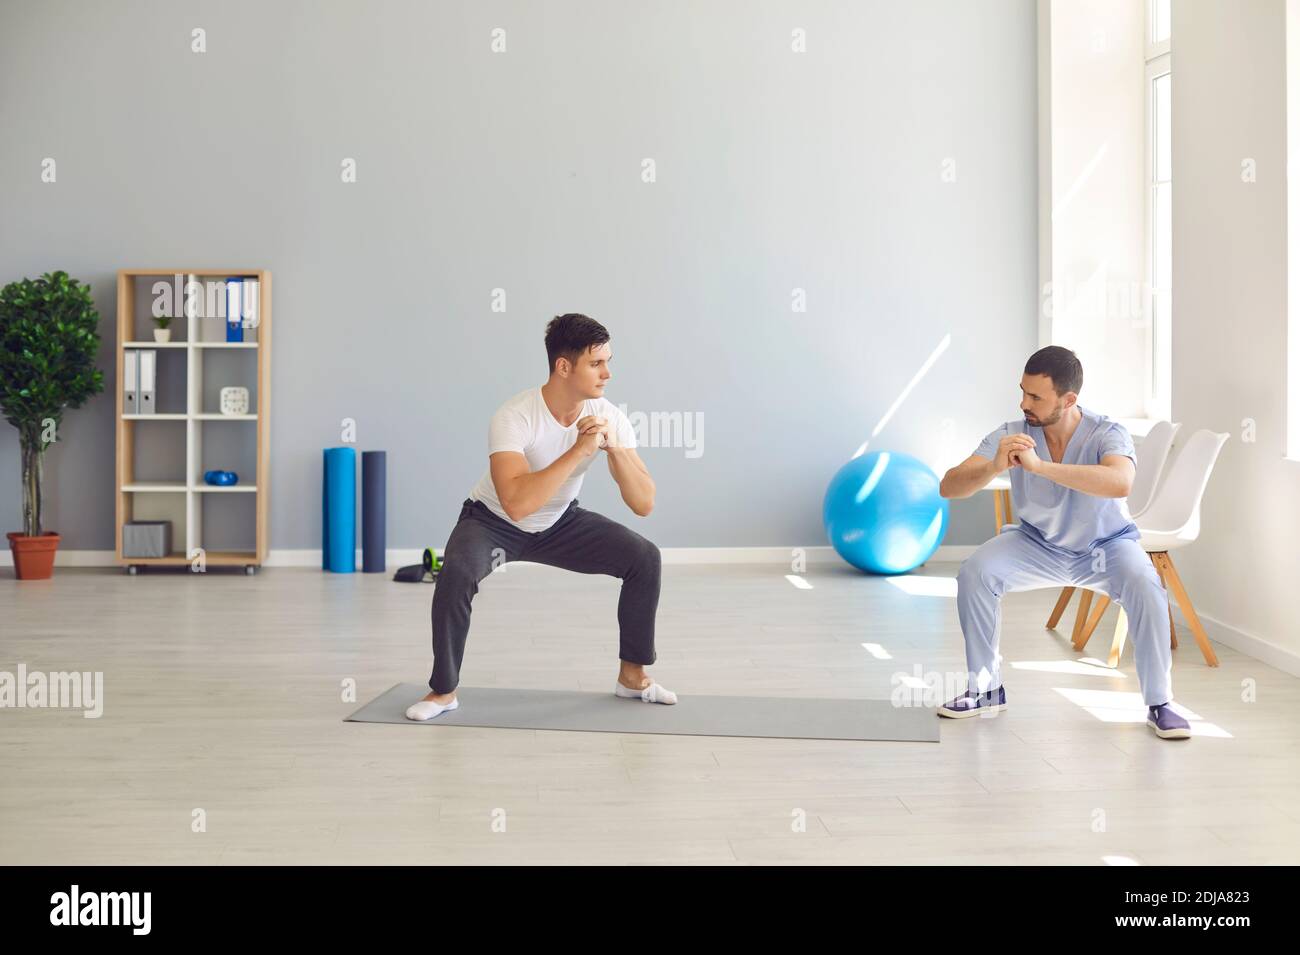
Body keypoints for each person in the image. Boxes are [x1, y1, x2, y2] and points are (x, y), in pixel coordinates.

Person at [406, 313, 675, 720]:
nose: (608, 373)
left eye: (608, 361)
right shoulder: (515, 416)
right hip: (492, 521)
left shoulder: (609, 416)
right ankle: (443, 691)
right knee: (457, 574)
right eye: (596, 363)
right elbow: (515, 503)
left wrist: (614, 449)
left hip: (560, 522)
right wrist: (579, 451)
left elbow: (644, 503)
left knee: (644, 557)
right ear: (563, 367)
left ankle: (632, 677)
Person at [936, 345, 1190, 740]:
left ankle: (1160, 703)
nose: (1024, 403)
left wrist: (1041, 468)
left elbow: (1120, 482)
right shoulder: (1011, 434)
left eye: (1036, 396)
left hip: (1107, 547)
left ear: (1069, 399)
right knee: (975, 573)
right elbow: (949, 487)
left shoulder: (1108, 432)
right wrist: (992, 467)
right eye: (1022, 391)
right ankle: (986, 689)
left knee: (1146, 584)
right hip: (1037, 545)